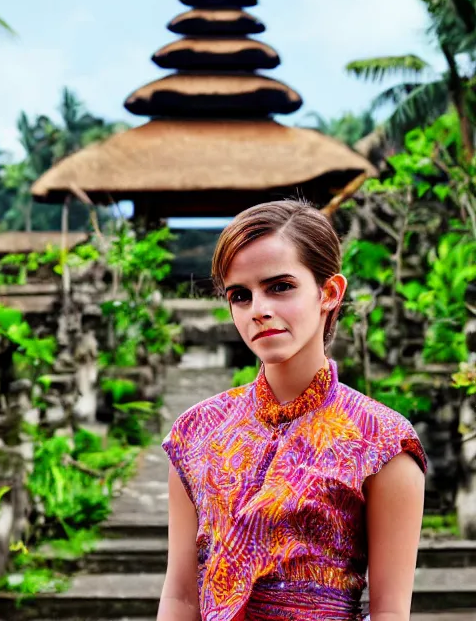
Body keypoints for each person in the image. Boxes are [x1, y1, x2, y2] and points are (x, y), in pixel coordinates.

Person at [158, 200, 427, 621]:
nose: (259, 310)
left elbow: (391, 612)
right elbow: (180, 595)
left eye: (280, 286)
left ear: (329, 293)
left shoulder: (384, 442)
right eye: (240, 296)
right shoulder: (195, 433)